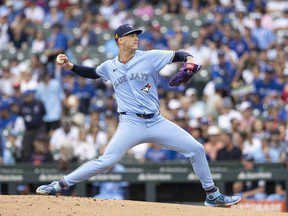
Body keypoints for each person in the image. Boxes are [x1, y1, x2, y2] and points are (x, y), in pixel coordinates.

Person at [36, 24, 241, 207]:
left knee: (196, 149)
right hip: (130, 123)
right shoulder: (110, 66)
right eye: (131, 35)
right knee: (107, 161)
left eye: (136, 35)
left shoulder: (150, 57)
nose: (136, 38)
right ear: (119, 40)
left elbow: (179, 54)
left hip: (156, 121)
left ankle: (212, 195)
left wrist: (189, 60)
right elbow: (92, 73)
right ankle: (59, 184)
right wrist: (70, 66)